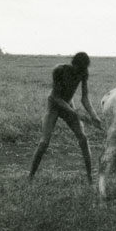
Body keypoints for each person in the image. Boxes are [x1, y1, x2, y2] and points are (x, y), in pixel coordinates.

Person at [29, 52, 102, 183]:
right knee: (44, 142)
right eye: (77, 68)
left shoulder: (83, 72)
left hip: (68, 103)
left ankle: (90, 178)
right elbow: (56, 97)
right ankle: (30, 177)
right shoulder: (59, 70)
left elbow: (84, 98)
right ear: (72, 64)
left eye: (82, 69)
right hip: (54, 105)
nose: (79, 72)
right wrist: (75, 113)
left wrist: (94, 116)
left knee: (83, 138)